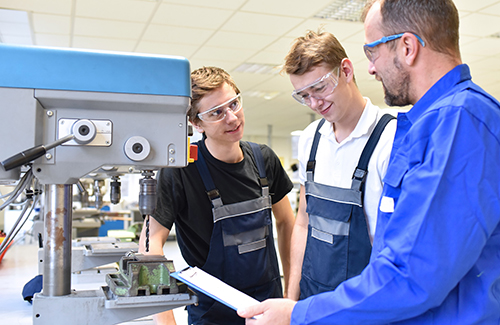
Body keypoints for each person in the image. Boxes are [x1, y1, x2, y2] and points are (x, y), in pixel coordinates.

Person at [237, 0, 500, 323]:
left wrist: (299, 314)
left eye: (372, 52)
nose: (371, 69)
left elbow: (411, 274)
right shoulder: (430, 124)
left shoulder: (459, 122)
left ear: (407, 47)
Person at [139, 66, 295, 325]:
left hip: (268, 307)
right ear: (196, 123)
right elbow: (149, 249)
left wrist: (291, 293)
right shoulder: (181, 171)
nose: (232, 118)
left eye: (234, 104)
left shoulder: (264, 159)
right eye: (217, 113)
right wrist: (166, 321)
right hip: (213, 314)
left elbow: (287, 222)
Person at [282, 30, 396, 301]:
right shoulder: (311, 138)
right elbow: (303, 222)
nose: (314, 103)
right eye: (303, 95)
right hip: (313, 299)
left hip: (366, 303)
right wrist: (291, 299)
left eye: (320, 87)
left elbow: (394, 243)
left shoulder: (390, 139)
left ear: (345, 70)